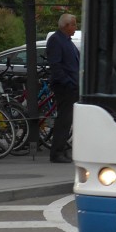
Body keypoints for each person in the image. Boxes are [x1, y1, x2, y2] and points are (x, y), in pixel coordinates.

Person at [46, 13, 79, 163]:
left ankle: (62, 150)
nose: (76, 27)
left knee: (67, 119)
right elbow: (56, 65)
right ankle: (57, 152)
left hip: (71, 85)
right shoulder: (56, 40)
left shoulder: (67, 41)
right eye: (74, 24)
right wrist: (68, 82)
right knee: (64, 119)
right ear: (66, 26)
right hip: (65, 86)